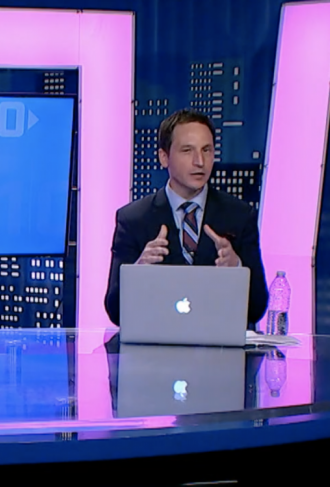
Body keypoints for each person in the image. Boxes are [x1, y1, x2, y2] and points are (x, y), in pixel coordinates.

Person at [104, 109, 268, 327]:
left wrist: (237, 268)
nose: (199, 161)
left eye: (206, 150)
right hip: (155, 344)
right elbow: (115, 312)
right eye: (187, 150)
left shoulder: (239, 216)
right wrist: (137, 272)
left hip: (218, 344)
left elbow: (256, 309)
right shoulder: (133, 219)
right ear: (164, 157)